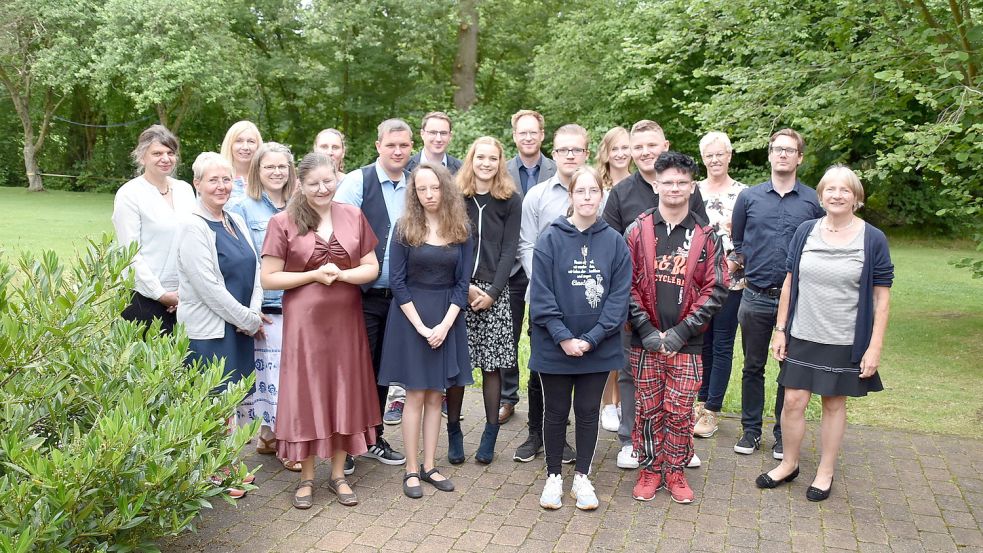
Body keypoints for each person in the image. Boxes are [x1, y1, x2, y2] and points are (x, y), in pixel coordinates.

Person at [757, 165, 893, 502]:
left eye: (845, 189)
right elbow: (790, 283)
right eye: (830, 189)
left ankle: (825, 471)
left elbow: (882, 297)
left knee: (833, 404)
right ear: (821, 195)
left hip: (845, 339)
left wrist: (874, 347)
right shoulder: (806, 231)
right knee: (792, 402)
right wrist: (781, 330)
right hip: (803, 334)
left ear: (856, 197)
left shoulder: (872, 238)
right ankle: (789, 464)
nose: (837, 195)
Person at [260, 152, 383, 509]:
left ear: (336, 178)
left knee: (344, 390)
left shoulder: (353, 215)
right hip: (305, 324)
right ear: (300, 184)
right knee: (308, 393)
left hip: (346, 321)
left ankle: (339, 474)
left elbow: (371, 267)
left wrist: (342, 274)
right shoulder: (283, 221)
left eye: (328, 181)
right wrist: (313, 275)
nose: (322, 188)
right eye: (313, 183)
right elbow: (269, 277)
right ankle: (307, 477)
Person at [601, 120, 708, 470]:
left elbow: (704, 242)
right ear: (631, 151)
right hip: (634, 305)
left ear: (665, 145)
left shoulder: (687, 188)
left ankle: (677, 444)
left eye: (651, 145)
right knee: (632, 373)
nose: (645, 152)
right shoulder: (621, 194)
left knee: (678, 373)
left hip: (681, 302)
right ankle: (632, 441)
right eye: (638, 146)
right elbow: (612, 250)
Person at [624, 151, 728, 504]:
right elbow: (624, 285)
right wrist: (647, 329)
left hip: (688, 343)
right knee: (648, 409)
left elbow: (716, 289)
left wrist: (683, 331)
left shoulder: (706, 235)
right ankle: (651, 469)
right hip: (645, 341)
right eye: (667, 181)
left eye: (682, 182)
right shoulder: (637, 231)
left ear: (691, 186)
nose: (674, 187)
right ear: (656, 185)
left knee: (681, 410)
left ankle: (676, 470)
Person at [532, 166, 631, 511]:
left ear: (601, 195)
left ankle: (582, 478)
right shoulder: (550, 238)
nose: (587, 197)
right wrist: (563, 337)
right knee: (555, 412)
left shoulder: (615, 243)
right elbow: (541, 296)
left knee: (588, 412)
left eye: (593, 191)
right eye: (581, 191)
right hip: (554, 345)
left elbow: (619, 299)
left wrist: (591, 338)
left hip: (598, 346)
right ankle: (554, 477)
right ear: (570, 196)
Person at [377, 163, 473, 499]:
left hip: (448, 318)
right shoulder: (405, 227)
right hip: (411, 319)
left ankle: (431, 465)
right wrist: (421, 326)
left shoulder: (461, 228)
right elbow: (398, 281)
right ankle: (411, 470)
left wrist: (445, 326)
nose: (429, 195)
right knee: (415, 395)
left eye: (434, 188)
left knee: (437, 395)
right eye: (422, 189)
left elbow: (463, 284)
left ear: (445, 189)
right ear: (414, 193)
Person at [731, 128, 825, 460]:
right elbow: (738, 244)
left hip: (799, 302)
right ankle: (751, 431)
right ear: (769, 155)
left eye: (789, 149)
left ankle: (784, 433)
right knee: (753, 367)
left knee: (792, 370)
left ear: (800, 157)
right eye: (777, 149)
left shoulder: (814, 201)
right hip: (755, 296)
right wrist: (734, 265)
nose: (782, 154)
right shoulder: (749, 198)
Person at [176, 152, 265, 498]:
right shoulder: (192, 226)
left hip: (240, 327)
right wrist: (247, 319)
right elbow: (209, 288)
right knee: (212, 402)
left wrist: (253, 313)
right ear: (197, 184)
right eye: (213, 180)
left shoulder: (235, 219)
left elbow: (255, 269)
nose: (221, 186)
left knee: (230, 404)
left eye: (226, 179)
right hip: (211, 332)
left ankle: (226, 464)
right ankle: (211, 472)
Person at [334, 119, 412, 471]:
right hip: (359, 296)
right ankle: (348, 445)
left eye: (404, 146)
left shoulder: (415, 183)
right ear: (378, 145)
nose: (398, 151)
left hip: (400, 297)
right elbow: (335, 235)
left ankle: (373, 437)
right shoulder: (357, 181)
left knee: (383, 371)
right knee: (356, 371)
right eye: (391, 145)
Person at [514, 123, 591, 463]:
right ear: (554, 154)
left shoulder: (593, 195)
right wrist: (547, 286)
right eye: (563, 150)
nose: (570, 155)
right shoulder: (538, 195)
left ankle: (563, 435)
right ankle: (536, 433)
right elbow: (526, 244)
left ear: (586, 153)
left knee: (578, 368)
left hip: (585, 304)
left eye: (576, 150)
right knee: (542, 367)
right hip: (544, 300)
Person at [453, 136, 522, 464]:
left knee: (492, 366)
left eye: (492, 158)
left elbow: (510, 248)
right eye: (480, 157)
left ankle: (490, 434)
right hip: (459, 288)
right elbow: (449, 242)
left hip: (495, 288)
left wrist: (493, 292)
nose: (486, 163)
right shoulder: (456, 196)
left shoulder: (510, 199)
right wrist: (464, 286)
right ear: (471, 159)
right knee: (457, 365)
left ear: (500, 162)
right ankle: (454, 431)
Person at [228, 142, 297, 466]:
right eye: (269, 166)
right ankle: (280, 440)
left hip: (296, 302)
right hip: (264, 307)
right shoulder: (243, 208)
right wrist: (249, 311)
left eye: (282, 166)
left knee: (287, 376)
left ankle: (271, 437)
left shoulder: (300, 206)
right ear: (257, 170)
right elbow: (243, 262)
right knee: (268, 379)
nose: (276, 172)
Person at [499, 109, 558, 425]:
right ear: (514, 136)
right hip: (510, 268)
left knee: (543, 332)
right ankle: (509, 398)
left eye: (533, 132)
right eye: (522, 132)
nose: (528, 137)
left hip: (545, 266)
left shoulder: (557, 168)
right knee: (508, 333)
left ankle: (546, 397)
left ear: (542, 135)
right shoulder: (501, 170)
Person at [113, 124, 196, 335]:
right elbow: (130, 254)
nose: (165, 158)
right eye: (157, 153)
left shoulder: (185, 190)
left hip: (184, 299)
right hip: (142, 299)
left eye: (170, 153)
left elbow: (194, 242)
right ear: (142, 157)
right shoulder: (129, 194)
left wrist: (184, 292)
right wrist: (160, 294)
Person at [692, 132, 748, 438]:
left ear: (729, 156)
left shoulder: (744, 194)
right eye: (709, 155)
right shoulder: (694, 190)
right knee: (702, 344)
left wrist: (731, 264)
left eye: (720, 154)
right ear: (703, 159)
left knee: (723, 343)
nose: (715, 160)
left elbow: (750, 237)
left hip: (731, 281)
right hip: (698, 282)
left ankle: (712, 409)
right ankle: (699, 403)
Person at [594, 125, 633, 433]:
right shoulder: (598, 186)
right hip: (604, 272)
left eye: (625, 148)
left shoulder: (640, 185)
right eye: (615, 148)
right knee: (608, 340)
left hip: (636, 276)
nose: (620, 154)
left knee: (628, 345)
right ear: (605, 152)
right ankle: (607, 403)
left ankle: (624, 402)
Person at [220, 121, 263, 204]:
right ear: (230, 144)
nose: (245, 147)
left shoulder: (266, 178)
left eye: (251, 141)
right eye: (239, 141)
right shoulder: (218, 178)